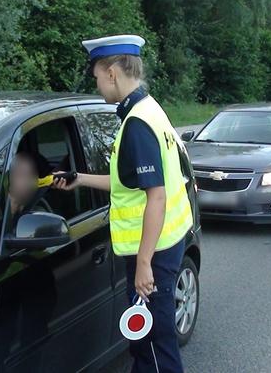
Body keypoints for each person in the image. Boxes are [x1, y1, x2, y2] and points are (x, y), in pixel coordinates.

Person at [53, 34, 193, 373]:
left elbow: (155, 196)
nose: (98, 85)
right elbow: (130, 184)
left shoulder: (137, 125)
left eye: (98, 77)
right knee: (145, 345)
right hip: (164, 243)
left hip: (153, 253)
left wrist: (144, 263)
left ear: (112, 72)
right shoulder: (148, 108)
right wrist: (80, 179)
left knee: (155, 346)